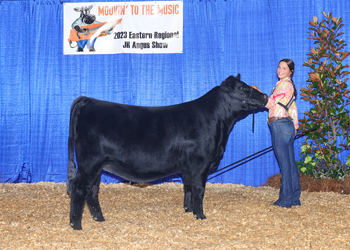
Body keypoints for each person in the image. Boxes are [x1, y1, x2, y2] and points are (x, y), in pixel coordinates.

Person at [254, 58, 301, 208]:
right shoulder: (288, 86)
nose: (280, 70)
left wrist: (258, 94)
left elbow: (272, 104)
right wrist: (294, 127)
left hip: (279, 125)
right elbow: (293, 108)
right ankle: (294, 198)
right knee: (290, 164)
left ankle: (285, 200)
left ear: (290, 72)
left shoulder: (285, 85)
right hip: (286, 126)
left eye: (284, 68)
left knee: (285, 165)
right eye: (279, 67)